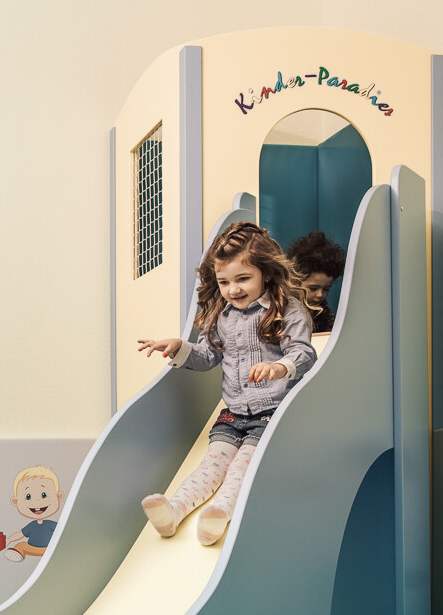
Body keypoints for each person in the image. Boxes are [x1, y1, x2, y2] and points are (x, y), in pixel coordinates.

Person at [136, 222, 317, 546]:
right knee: (212, 464)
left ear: (266, 272)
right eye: (224, 282)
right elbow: (207, 357)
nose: (233, 289)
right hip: (233, 412)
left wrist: (278, 367)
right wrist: (179, 347)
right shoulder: (222, 315)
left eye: (243, 279)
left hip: (271, 413)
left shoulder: (286, 310)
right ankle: (174, 511)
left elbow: (304, 353)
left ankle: (219, 516)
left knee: (241, 467)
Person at [285, 230, 346, 332]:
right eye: (313, 288)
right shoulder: (282, 310)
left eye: (326, 289)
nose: (320, 295)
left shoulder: (324, 313)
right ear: (294, 281)